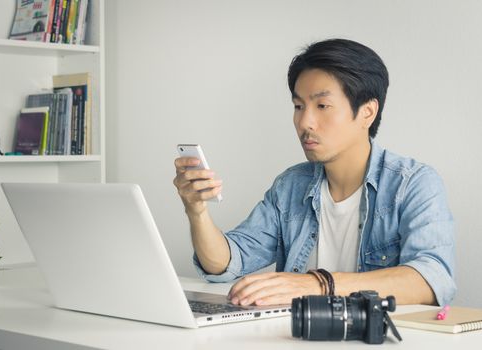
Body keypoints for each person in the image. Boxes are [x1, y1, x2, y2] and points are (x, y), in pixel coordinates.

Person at [173, 38, 455, 307]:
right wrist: (196, 211)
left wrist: (318, 285)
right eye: (298, 107)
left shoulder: (413, 183)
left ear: (367, 112)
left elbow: (432, 279)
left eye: (322, 106)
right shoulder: (291, 186)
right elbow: (225, 263)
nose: (305, 122)